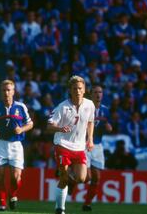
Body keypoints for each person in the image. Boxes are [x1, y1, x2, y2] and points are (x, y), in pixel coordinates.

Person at [47, 76, 95, 214]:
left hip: (79, 147)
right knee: (63, 177)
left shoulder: (89, 105)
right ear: (70, 90)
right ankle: (60, 208)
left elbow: (90, 122)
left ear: (84, 90)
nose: (78, 91)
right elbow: (49, 125)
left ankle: (70, 181)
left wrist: (90, 138)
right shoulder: (62, 107)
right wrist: (60, 129)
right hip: (63, 145)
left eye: (80, 88)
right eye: (75, 89)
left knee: (81, 178)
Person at [0, 80, 33, 211]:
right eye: (4, 90)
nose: (6, 93)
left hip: (16, 145)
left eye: (8, 90)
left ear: (13, 91)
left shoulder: (20, 107)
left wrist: (21, 129)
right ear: (0, 92)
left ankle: (13, 195)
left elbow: (30, 124)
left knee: (16, 177)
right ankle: (2, 203)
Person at [82, 84, 112, 211]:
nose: (98, 94)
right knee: (86, 177)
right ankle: (71, 181)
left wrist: (108, 127)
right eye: (95, 92)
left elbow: (107, 124)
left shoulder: (105, 110)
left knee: (97, 178)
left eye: (100, 92)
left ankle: (87, 204)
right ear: (90, 94)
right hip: (84, 145)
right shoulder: (84, 107)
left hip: (98, 146)